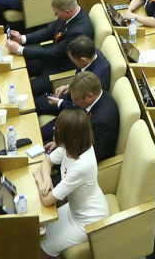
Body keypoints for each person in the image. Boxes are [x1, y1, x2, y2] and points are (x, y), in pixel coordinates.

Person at [34, 107, 109, 256]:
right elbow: (46, 163)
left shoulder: (81, 166)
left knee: (44, 246)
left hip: (88, 220)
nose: (55, 128)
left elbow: (48, 200)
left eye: (60, 128)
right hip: (73, 209)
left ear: (69, 135)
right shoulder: (69, 146)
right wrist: (47, 179)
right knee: (37, 232)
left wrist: (39, 180)